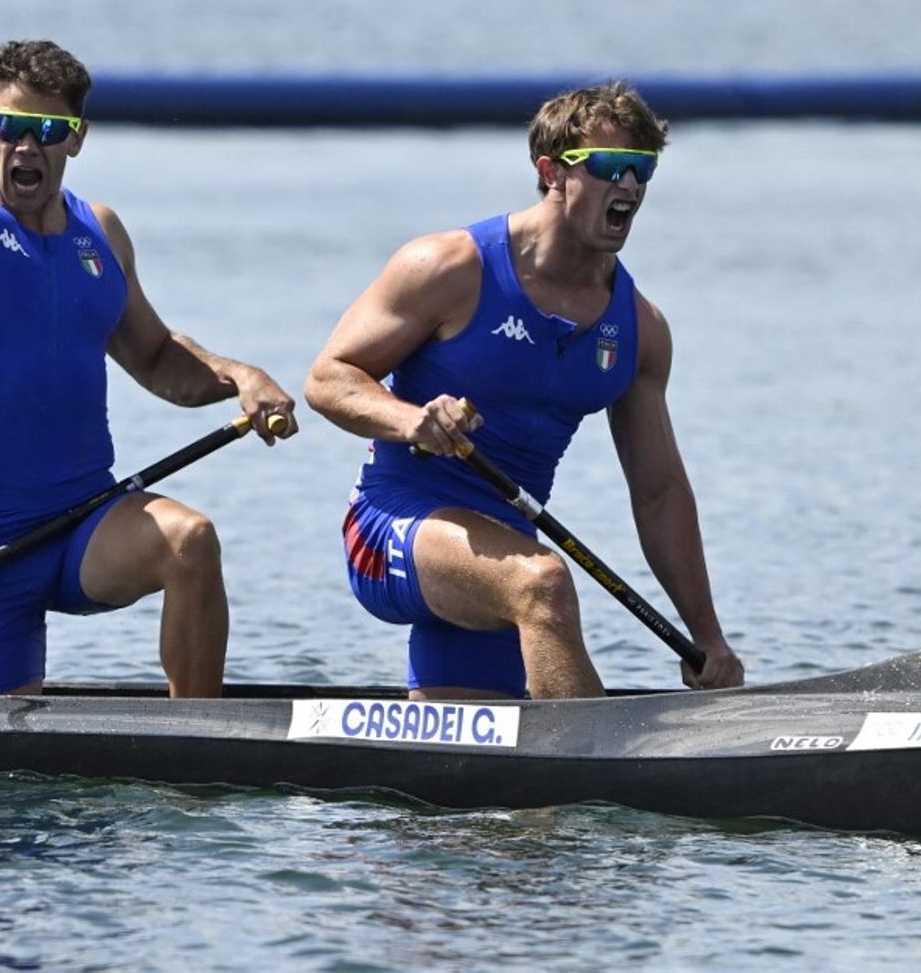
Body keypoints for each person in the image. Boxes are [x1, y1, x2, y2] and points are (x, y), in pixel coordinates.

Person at [0, 0, 295, 697]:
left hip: (88, 521)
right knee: (4, 797)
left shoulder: (104, 232)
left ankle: (196, 747)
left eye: (50, 133)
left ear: (76, 141)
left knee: (191, 540)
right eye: (14, 128)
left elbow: (157, 358)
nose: (29, 148)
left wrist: (241, 377)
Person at [304, 80, 743, 701]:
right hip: (390, 528)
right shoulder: (450, 267)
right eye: (609, 167)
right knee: (545, 584)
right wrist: (410, 421)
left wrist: (709, 637)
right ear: (551, 172)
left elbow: (659, 491)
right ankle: (599, 786)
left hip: (501, 553)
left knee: (468, 777)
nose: (629, 187)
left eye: (642, 171)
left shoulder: (640, 329)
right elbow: (328, 377)